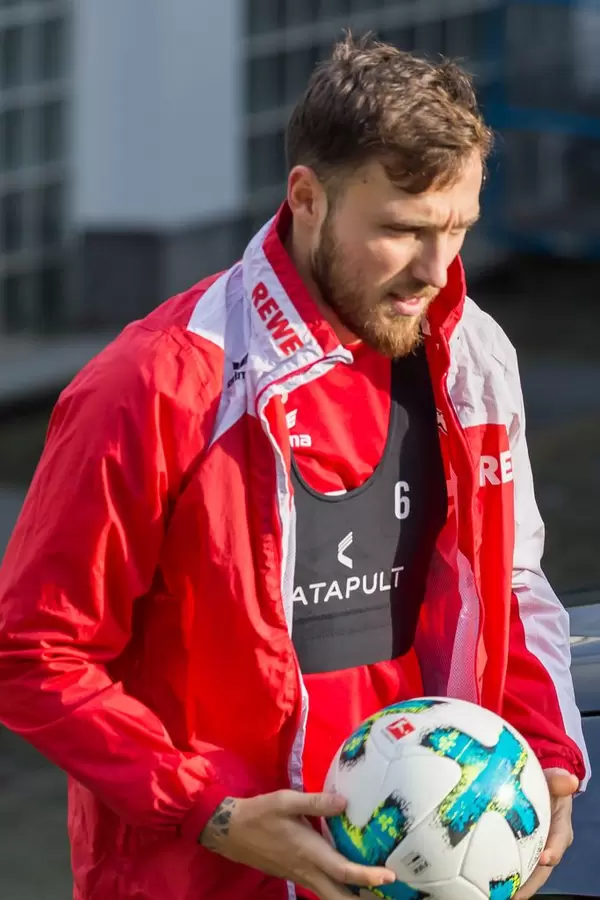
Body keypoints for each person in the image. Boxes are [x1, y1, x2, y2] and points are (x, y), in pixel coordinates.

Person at [0, 33, 589, 900]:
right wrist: (212, 810)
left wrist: (543, 761)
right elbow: (34, 655)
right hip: (196, 874)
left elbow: (508, 585)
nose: (437, 271)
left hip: (417, 873)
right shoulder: (156, 385)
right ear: (307, 199)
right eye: (401, 230)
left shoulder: (473, 361)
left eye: (458, 229)